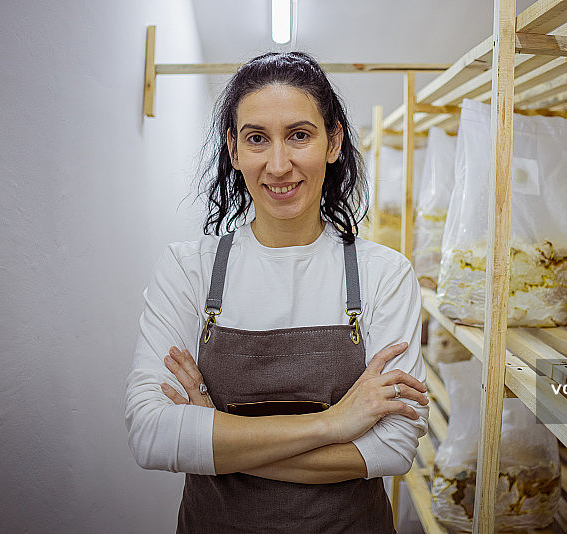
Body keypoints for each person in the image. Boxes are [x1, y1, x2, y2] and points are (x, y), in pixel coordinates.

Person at [125, 51, 429, 533]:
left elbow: (393, 447)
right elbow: (149, 436)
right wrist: (334, 424)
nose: (279, 164)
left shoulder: (383, 275)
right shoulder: (188, 269)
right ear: (233, 149)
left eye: (299, 136)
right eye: (257, 139)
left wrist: (212, 434)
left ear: (334, 142)